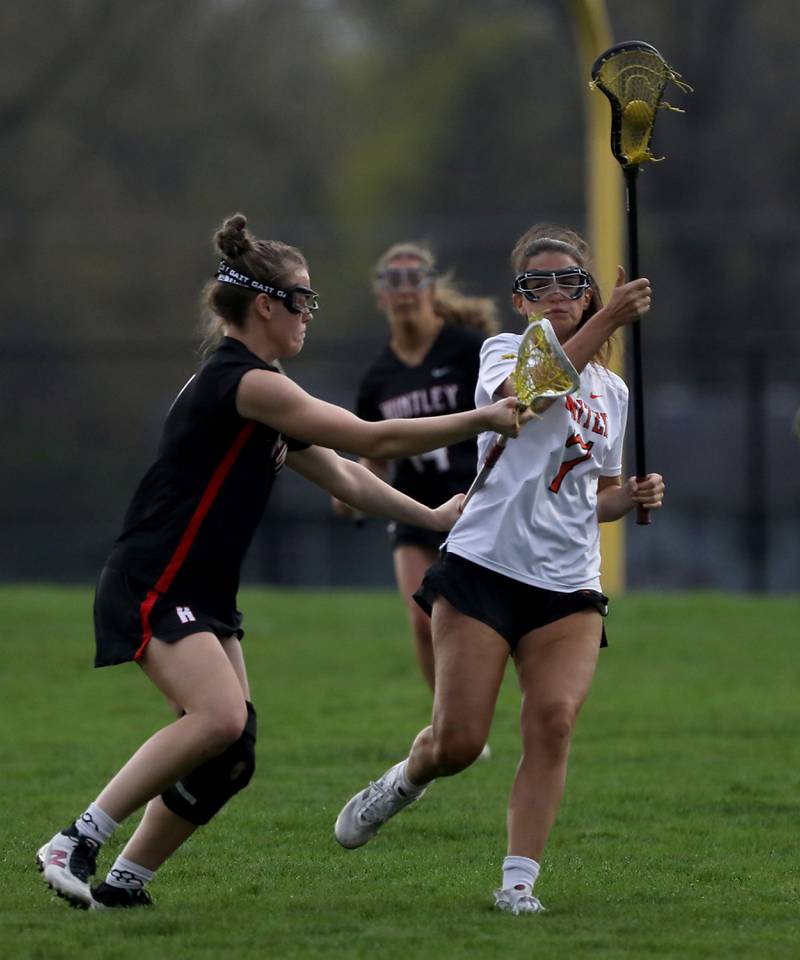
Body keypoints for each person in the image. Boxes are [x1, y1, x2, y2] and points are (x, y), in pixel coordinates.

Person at [35, 213, 530, 911]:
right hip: (155, 579)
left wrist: (433, 518)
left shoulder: (264, 395)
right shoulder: (247, 383)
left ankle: (126, 883)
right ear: (266, 305)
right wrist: (481, 418)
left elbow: (349, 475)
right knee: (217, 719)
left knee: (232, 755)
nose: (308, 314)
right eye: (302, 299)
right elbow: (369, 433)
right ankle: (76, 840)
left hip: (203, 591)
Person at [334, 224, 665, 915]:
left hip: (569, 583)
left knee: (553, 723)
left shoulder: (614, 392)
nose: (552, 293)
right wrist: (609, 318)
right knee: (458, 743)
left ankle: (518, 884)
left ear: (586, 288)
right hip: (484, 568)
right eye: (536, 284)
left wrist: (627, 496)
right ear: (519, 299)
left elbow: (590, 494)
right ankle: (404, 779)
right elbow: (531, 398)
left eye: (568, 281)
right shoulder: (501, 352)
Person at [333, 242, 499, 696]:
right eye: (393, 282)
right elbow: (376, 454)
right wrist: (349, 490)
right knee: (419, 613)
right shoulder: (378, 378)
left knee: (481, 615)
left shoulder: (470, 351)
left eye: (414, 279)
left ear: (432, 288)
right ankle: (445, 720)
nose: (404, 291)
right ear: (381, 297)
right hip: (413, 508)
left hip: (474, 502)